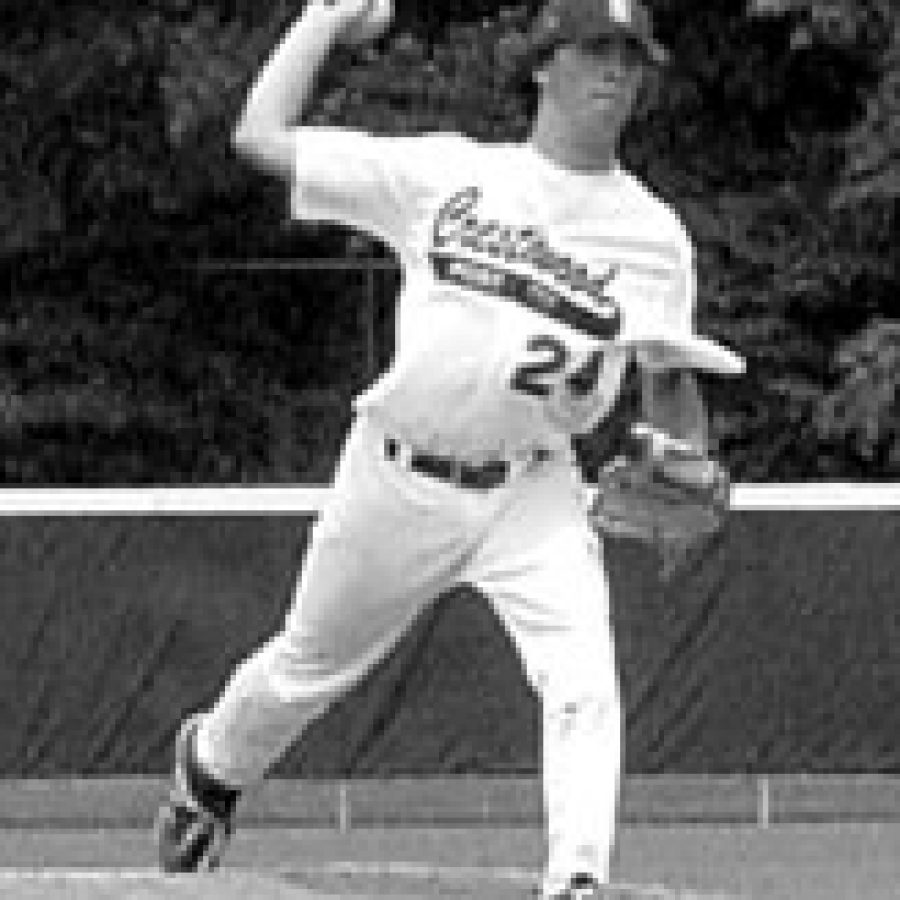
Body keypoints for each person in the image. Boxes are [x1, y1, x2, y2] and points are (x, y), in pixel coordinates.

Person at [156, 0, 744, 897]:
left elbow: (666, 376)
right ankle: (212, 769)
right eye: (596, 51)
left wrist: (683, 459)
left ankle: (577, 879)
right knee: (303, 672)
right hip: (397, 471)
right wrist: (321, 18)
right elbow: (259, 135)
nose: (616, 73)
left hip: (531, 489)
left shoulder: (651, 236)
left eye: (632, 57)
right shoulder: (447, 176)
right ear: (544, 65)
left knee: (583, 677)